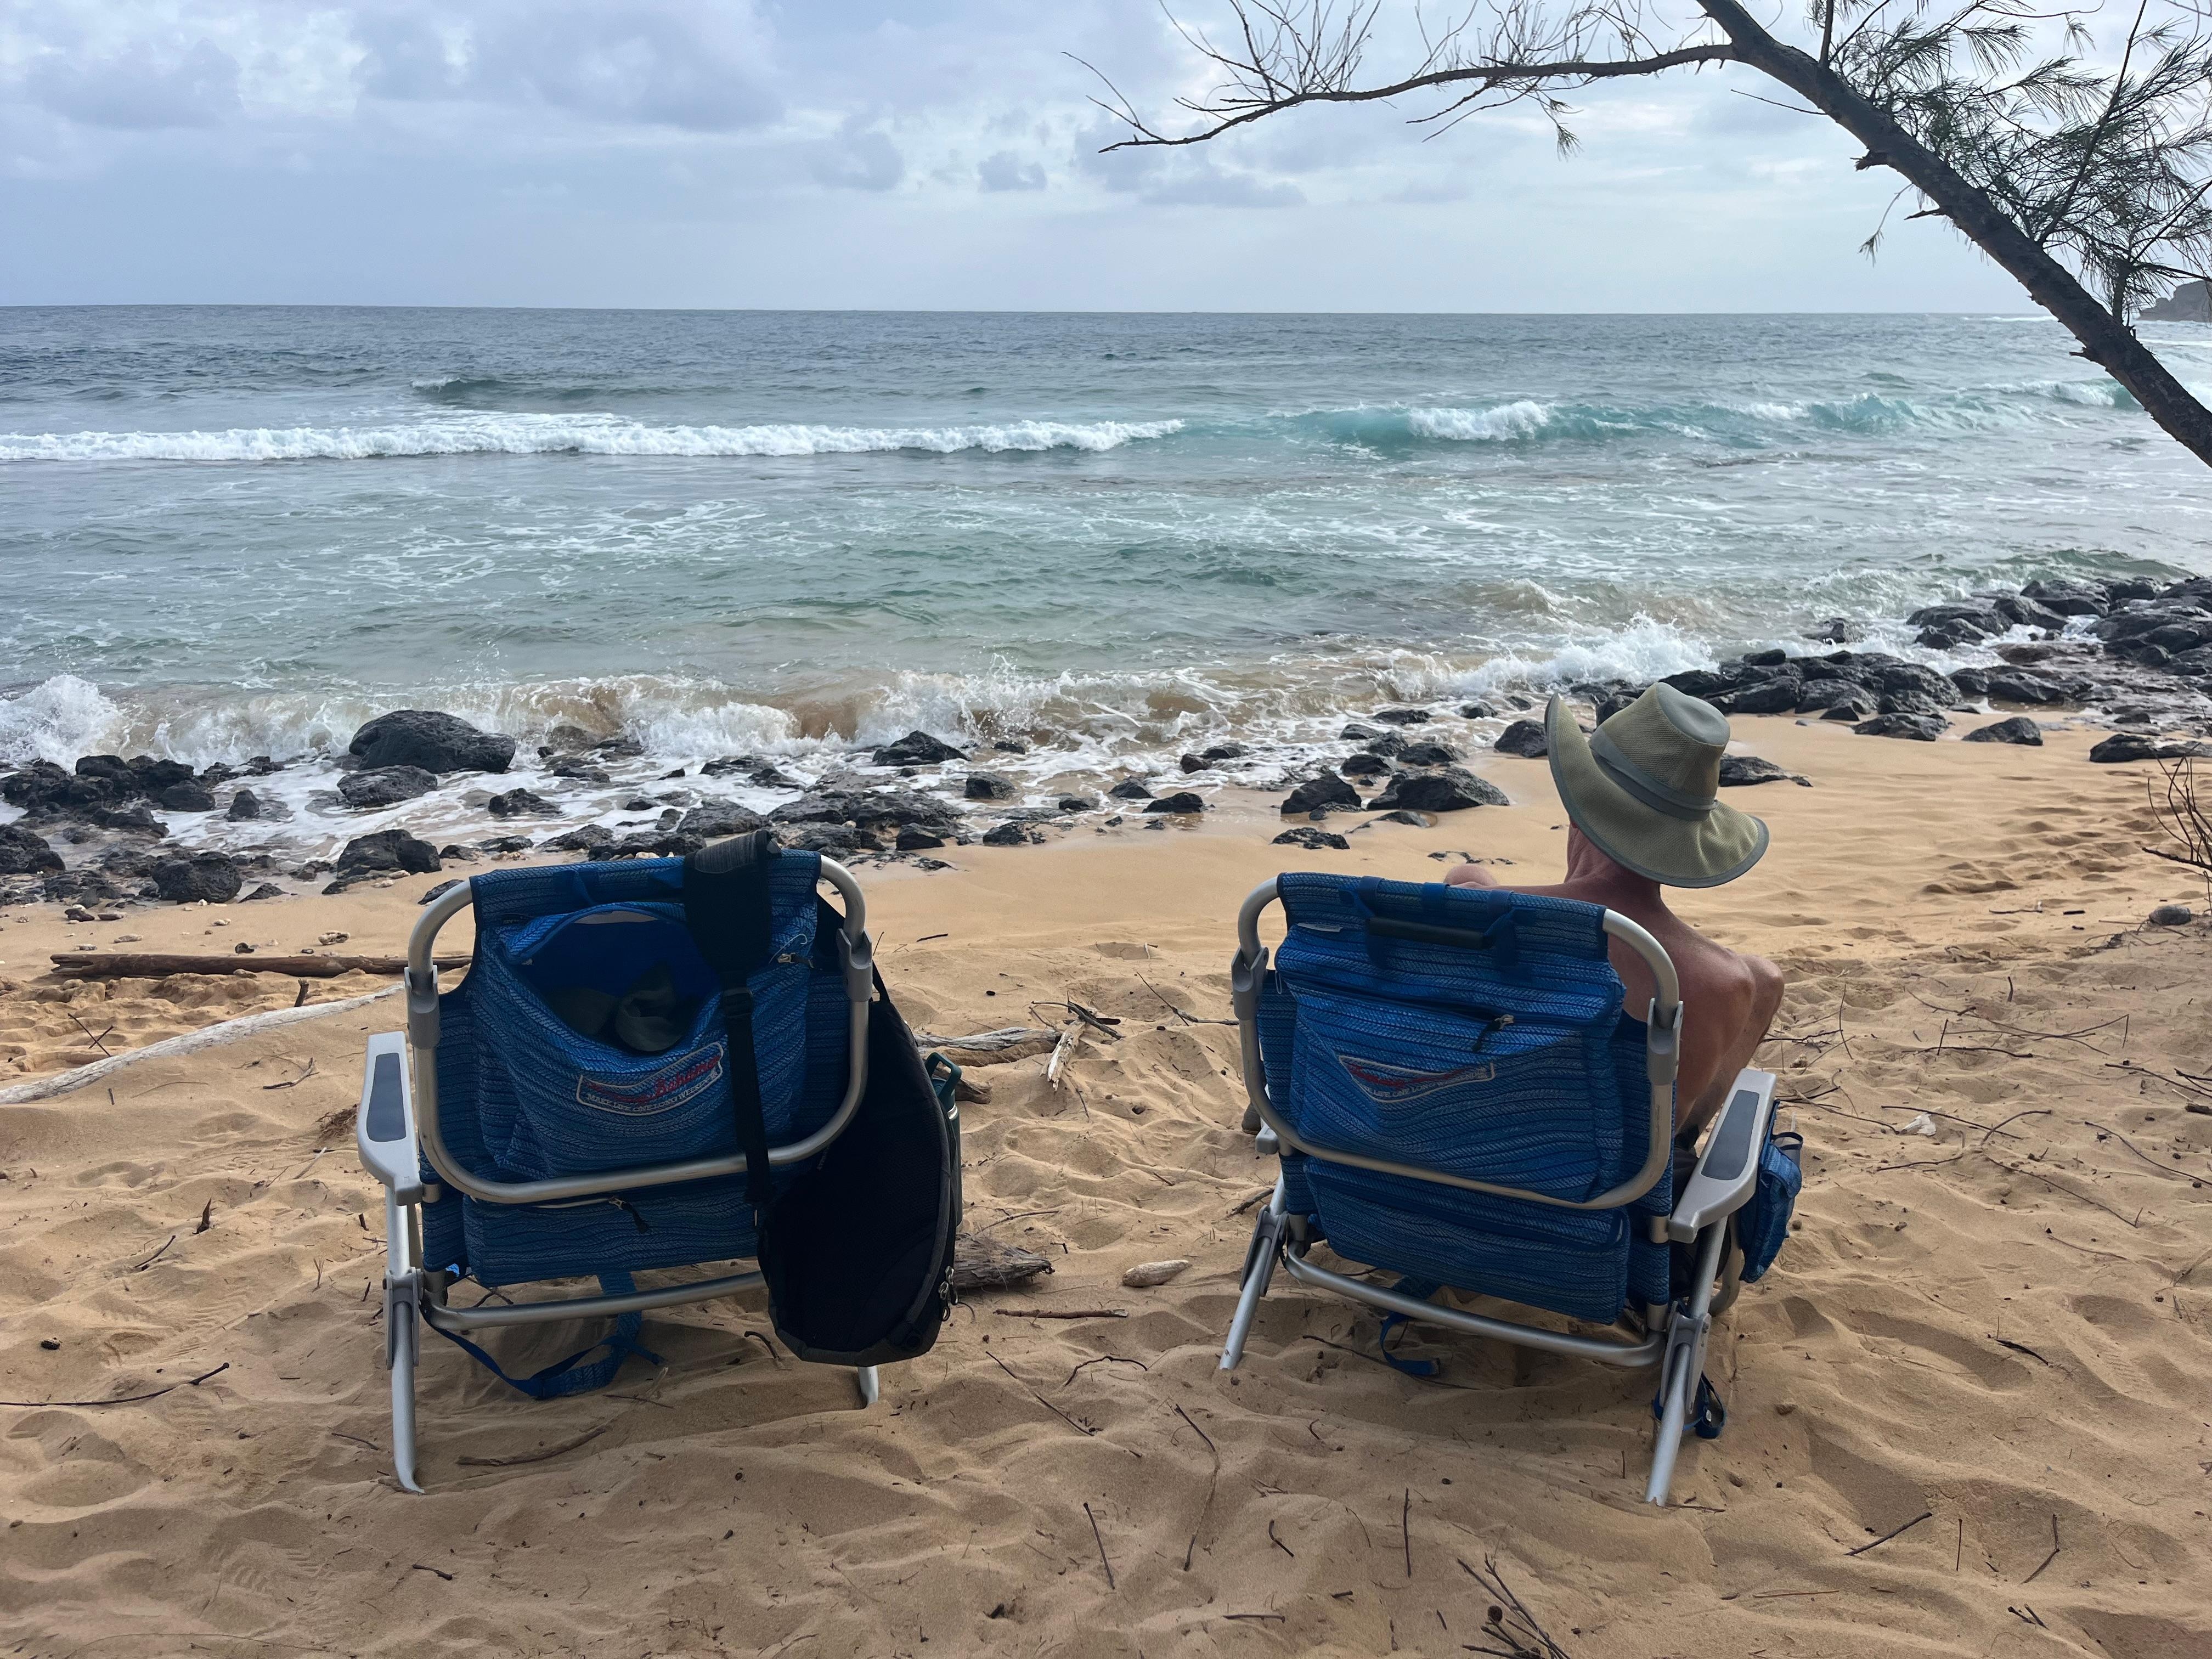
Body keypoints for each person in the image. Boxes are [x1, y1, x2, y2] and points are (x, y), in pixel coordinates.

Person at [1446, 684, 1785, 1140]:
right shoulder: (1719, 982)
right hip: (1603, 1191)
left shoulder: (1469, 914)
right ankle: (1683, 1150)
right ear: (1686, 846)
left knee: (1466, 878)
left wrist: (1472, 886)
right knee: (1764, 978)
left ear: (1576, 811)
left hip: (1434, 1158)